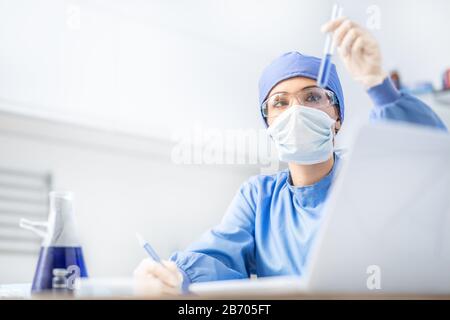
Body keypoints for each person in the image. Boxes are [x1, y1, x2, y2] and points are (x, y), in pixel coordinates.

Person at [134, 18, 447, 294]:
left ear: (337, 116)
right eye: (280, 102)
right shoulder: (259, 199)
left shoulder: (366, 179)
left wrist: (378, 85)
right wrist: (175, 275)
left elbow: (425, 159)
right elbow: (218, 261)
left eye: (312, 97)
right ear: (268, 123)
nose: (296, 111)